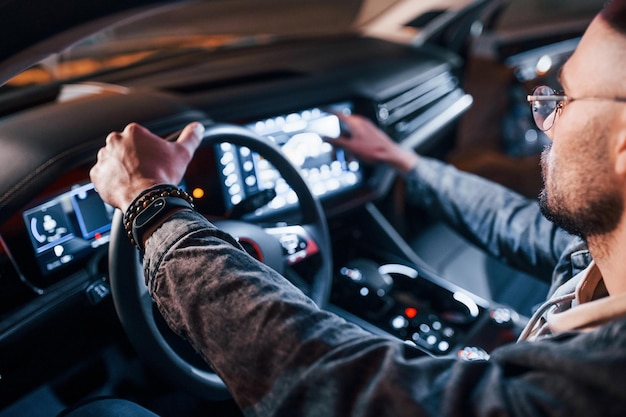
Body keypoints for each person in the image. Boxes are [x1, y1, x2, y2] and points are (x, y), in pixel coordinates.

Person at [87, 1, 626, 415]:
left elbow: (332, 387)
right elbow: (524, 229)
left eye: (563, 101)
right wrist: (404, 163)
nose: (545, 120)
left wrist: (152, 206)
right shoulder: (604, 256)